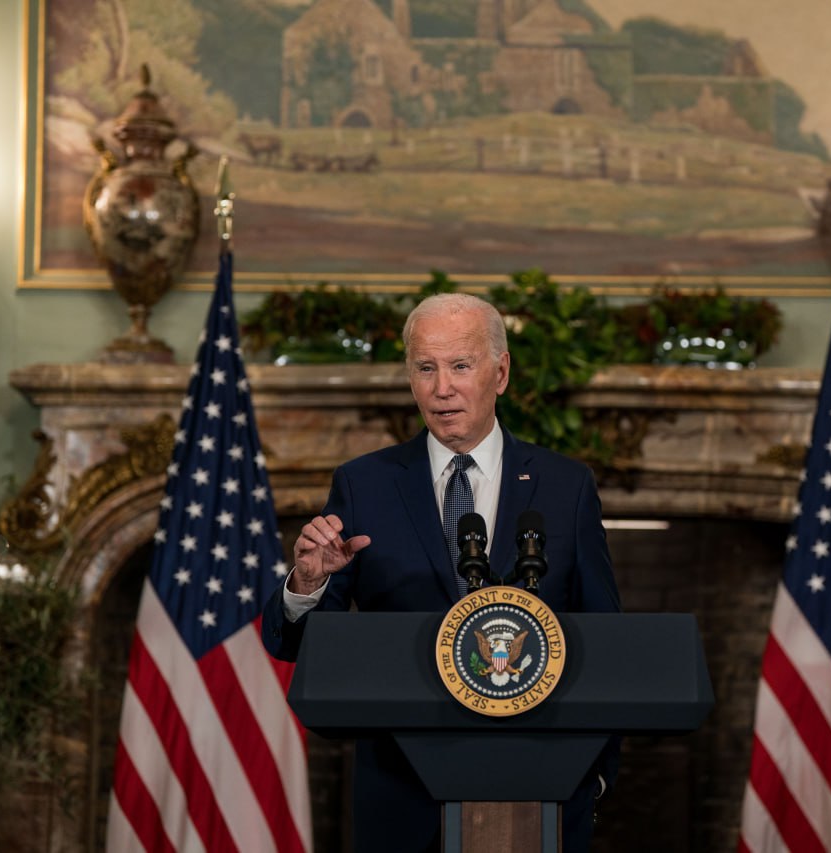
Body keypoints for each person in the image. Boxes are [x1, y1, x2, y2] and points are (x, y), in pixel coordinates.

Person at [261, 292, 621, 852]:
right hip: (403, 800)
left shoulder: (565, 487)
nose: (442, 388)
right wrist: (309, 585)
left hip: (541, 789)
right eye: (425, 368)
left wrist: (594, 774)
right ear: (410, 377)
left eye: (460, 366)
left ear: (500, 373)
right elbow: (302, 646)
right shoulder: (365, 485)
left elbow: (605, 638)